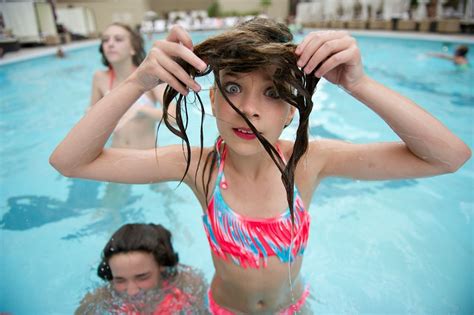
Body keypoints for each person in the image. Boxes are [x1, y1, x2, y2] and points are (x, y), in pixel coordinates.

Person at [51, 18, 471, 314]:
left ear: (293, 111)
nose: (249, 109)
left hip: (293, 309)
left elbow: (448, 157)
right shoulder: (200, 167)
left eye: (273, 92)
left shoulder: (309, 161)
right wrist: (138, 80)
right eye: (233, 87)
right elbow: (70, 162)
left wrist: (358, 84)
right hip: (220, 310)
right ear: (213, 101)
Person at [75, 223, 207, 314]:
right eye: (120, 280)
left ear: (161, 266)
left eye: (142, 277)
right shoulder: (101, 297)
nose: (132, 291)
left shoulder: (188, 284)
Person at [89, 22, 175, 149]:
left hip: (146, 157)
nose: (110, 44)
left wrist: (141, 111)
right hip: (114, 155)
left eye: (118, 39)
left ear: (133, 48)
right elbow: (91, 122)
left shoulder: (150, 76)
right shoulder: (100, 78)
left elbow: (174, 118)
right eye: (105, 40)